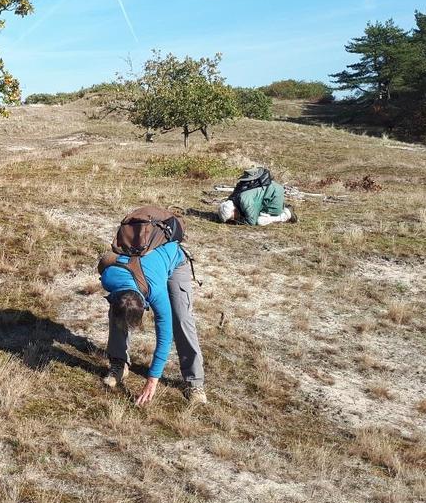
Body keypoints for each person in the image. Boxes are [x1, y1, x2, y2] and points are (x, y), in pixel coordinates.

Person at [99, 241, 206, 407]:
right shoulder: (108, 279)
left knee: (181, 318)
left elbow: (165, 335)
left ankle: (194, 383)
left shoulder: (155, 291)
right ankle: (118, 364)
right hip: (139, 264)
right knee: (117, 313)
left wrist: (152, 380)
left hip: (174, 260)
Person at [217, 167, 297, 225]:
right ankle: (282, 207)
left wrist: (237, 222)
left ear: (233, 210)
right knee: (253, 213)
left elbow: (251, 221)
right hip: (269, 193)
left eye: (232, 217)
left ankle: (287, 214)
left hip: (275, 195)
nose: (233, 218)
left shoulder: (244, 201)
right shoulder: (233, 198)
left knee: (260, 220)